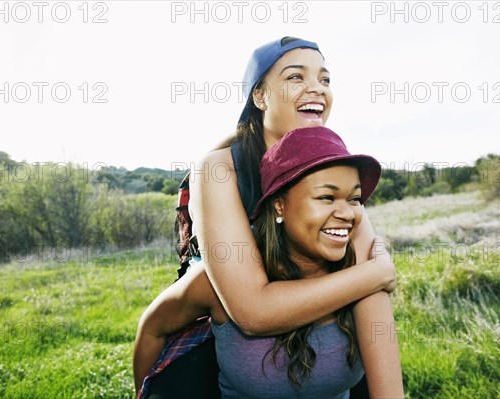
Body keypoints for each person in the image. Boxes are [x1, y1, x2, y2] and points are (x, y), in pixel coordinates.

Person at [133, 37, 403, 398]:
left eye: (325, 80)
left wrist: (371, 271)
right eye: (296, 78)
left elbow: (364, 266)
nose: (317, 89)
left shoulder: (329, 162)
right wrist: (377, 272)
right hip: (227, 306)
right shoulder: (219, 168)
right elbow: (251, 310)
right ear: (259, 96)